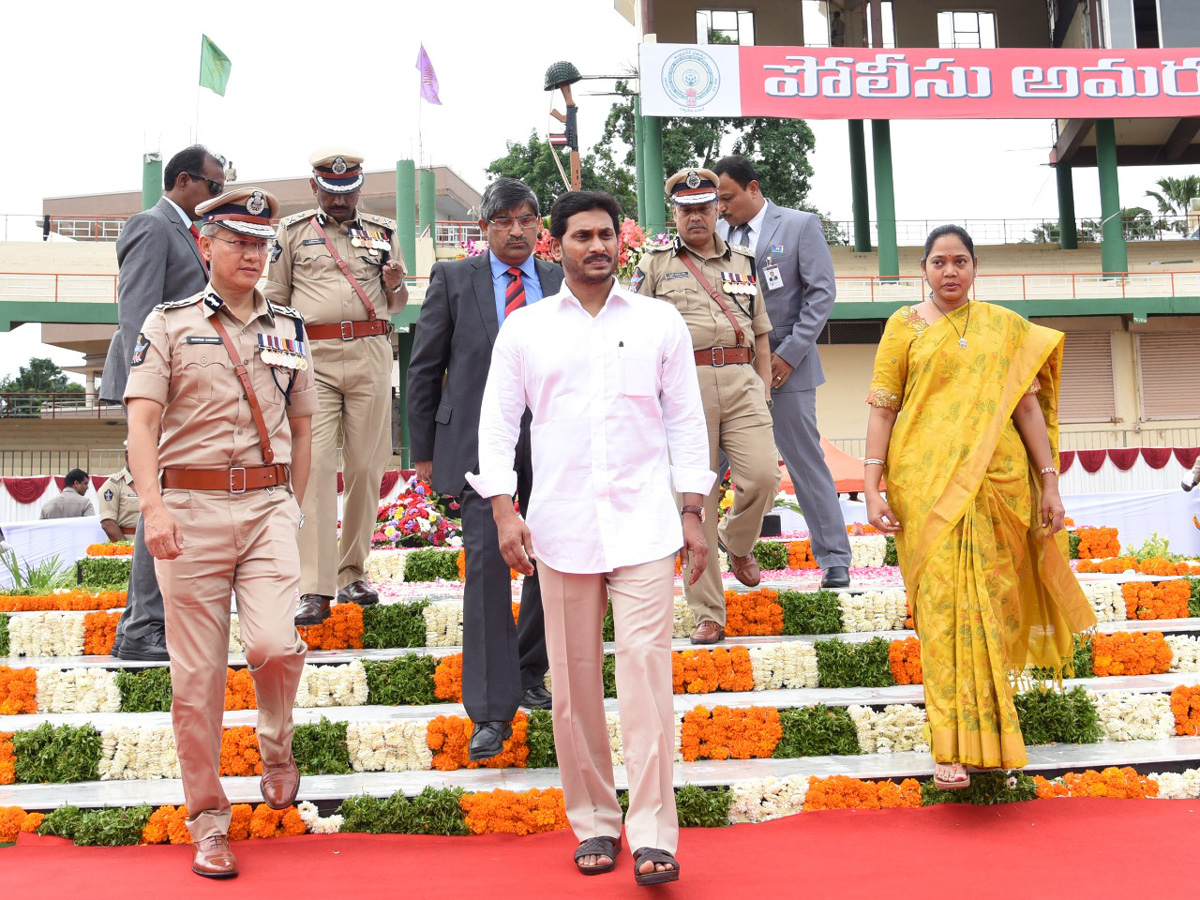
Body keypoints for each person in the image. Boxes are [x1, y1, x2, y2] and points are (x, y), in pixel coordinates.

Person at [469, 190, 713, 885]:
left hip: (644, 526)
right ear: (557, 245)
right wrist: (503, 509)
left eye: (607, 234)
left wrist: (693, 511)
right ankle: (597, 825)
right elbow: (496, 421)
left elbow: (686, 422)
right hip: (563, 527)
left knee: (645, 673)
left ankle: (655, 834)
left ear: (621, 243)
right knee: (573, 688)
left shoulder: (661, 322)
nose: (597, 246)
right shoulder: (527, 329)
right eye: (582, 236)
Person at [863, 224, 1096, 790]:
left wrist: (1050, 483)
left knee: (988, 611)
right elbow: (882, 409)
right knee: (943, 616)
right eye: (939, 262)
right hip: (926, 489)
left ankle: (993, 739)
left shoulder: (1003, 328)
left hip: (1000, 485)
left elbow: (1029, 412)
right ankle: (950, 749)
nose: (950, 272)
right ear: (923, 269)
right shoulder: (904, 326)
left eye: (960, 261)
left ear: (974, 268)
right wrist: (872, 485)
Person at [125, 187, 315, 879]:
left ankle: (275, 740)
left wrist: (291, 505)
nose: (249, 254)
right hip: (191, 511)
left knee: (272, 641)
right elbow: (142, 423)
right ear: (205, 245)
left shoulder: (288, 328)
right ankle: (208, 821)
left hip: (266, 507)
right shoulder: (169, 324)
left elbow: (303, 426)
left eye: (260, 243)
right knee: (195, 680)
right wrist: (154, 507)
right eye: (236, 241)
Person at [408, 178, 561, 758]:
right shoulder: (453, 280)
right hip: (478, 449)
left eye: (527, 219)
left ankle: (528, 667)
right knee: (488, 569)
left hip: (551, 447)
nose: (517, 229)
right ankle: (490, 713)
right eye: (504, 220)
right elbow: (426, 367)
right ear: (485, 229)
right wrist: (424, 451)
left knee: (554, 561)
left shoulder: (557, 280)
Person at [632, 168, 780, 644]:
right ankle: (708, 613)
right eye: (685, 209)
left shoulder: (744, 262)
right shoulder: (654, 265)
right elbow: (634, 337)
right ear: (674, 214)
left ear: (718, 210)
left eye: (704, 207)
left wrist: (762, 385)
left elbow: (760, 331)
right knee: (696, 501)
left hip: (741, 381)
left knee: (763, 476)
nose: (695, 216)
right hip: (683, 388)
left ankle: (737, 543)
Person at [265, 150, 408, 626]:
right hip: (314, 359)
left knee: (368, 467)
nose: (340, 199)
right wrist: (282, 366)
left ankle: (353, 572)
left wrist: (395, 283)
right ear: (314, 189)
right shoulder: (292, 234)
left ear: (360, 189)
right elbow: (276, 300)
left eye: (348, 192)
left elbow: (399, 302)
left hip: (370, 355)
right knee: (317, 468)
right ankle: (315, 586)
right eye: (330, 191)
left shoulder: (382, 233)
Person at [104, 145, 226, 662]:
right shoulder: (153, 227)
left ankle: (142, 623)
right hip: (156, 388)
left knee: (169, 499)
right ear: (183, 181)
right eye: (214, 188)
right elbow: (137, 315)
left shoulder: (189, 232)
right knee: (159, 502)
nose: (218, 199)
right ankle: (142, 627)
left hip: (180, 389)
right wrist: (151, 389)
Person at [713, 155, 853, 589]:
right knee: (705, 469)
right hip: (731, 373)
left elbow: (821, 295)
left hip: (786, 371)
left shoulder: (798, 225)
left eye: (728, 198)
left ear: (753, 189)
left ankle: (835, 559)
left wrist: (787, 355)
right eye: (716, 201)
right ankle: (711, 548)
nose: (721, 208)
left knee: (805, 464)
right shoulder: (715, 234)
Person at [97, 452, 139, 542]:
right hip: (127, 543)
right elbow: (108, 523)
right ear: (127, 457)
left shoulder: (155, 482)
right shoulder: (113, 485)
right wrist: (126, 549)